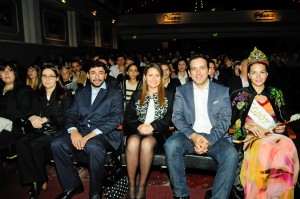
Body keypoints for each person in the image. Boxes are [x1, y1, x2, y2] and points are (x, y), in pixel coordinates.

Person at [164, 54, 238, 199]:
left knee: (231, 154)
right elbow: (177, 117)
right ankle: (181, 195)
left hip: (215, 137)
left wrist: (209, 140)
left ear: (209, 70)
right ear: (189, 73)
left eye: (202, 68)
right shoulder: (181, 91)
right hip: (189, 135)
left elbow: (225, 120)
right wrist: (194, 135)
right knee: (170, 145)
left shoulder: (222, 90)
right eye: (194, 69)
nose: (198, 72)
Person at [230, 47, 299, 199]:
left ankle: (280, 195)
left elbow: (282, 121)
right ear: (248, 75)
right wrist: (249, 126)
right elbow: (234, 124)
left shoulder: (276, 93)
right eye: (254, 72)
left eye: (262, 72)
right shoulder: (240, 95)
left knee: (286, 145)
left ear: (267, 74)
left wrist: (281, 128)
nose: (258, 76)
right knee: (266, 147)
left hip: (274, 136)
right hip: (250, 138)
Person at [51, 60, 124, 199]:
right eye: (93, 73)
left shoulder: (114, 92)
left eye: (101, 73)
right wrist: (73, 130)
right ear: (88, 76)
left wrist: (91, 135)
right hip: (82, 130)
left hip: (105, 134)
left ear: (106, 75)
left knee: (93, 146)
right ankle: (72, 185)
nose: (97, 77)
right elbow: (71, 114)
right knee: (57, 143)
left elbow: (117, 118)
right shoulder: (81, 92)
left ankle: (96, 192)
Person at [16, 66, 72, 199]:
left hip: (56, 131)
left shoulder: (65, 94)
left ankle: (40, 179)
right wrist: (32, 117)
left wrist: (46, 119)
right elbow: (29, 111)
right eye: (44, 76)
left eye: (51, 76)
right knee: (20, 143)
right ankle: (35, 179)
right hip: (40, 129)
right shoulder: (37, 94)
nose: (47, 79)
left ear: (57, 78)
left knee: (35, 144)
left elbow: (66, 117)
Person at [124, 63, 174, 199]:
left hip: (158, 133)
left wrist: (153, 126)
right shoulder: (137, 94)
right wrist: (139, 125)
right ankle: (131, 185)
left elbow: (171, 117)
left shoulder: (169, 94)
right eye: (150, 75)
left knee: (146, 143)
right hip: (138, 130)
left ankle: (142, 186)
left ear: (162, 77)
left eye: (157, 75)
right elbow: (128, 116)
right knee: (133, 141)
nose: (154, 79)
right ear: (145, 77)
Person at [0, 61, 36, 184]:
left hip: (15, 127)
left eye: (9, 70)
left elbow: (24, 113)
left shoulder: (23, 89)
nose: (6, 73)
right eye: (3, 70)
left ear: (15, 73)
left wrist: (3, 120)